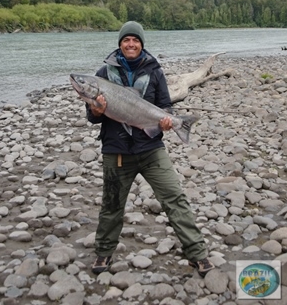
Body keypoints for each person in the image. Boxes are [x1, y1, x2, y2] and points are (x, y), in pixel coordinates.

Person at [86, 21, 214, 277]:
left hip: (151, 149)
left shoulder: (155, 71)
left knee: (175, 198)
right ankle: (103, 252)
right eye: (126, 40)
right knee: (111, 204)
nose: (130, 44)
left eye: (135, 40)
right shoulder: (102, 74)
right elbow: (93, 118)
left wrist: (168, 122)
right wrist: (96, 110)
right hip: (116, 152)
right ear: (120, 44)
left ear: (141, 44)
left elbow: (166, 106)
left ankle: (197, 254)